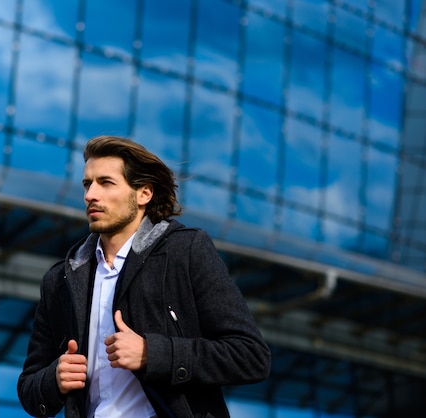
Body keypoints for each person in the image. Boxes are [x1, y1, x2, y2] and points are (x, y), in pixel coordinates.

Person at [18, 135, 271, 417]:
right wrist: (54, 378)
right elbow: (29, 388)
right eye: (87, 184)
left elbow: (250, 356)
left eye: (106, 182)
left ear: (144, 194)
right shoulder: (60, 280)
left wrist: (154, 354)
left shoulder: (185, 251)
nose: (90, 195)